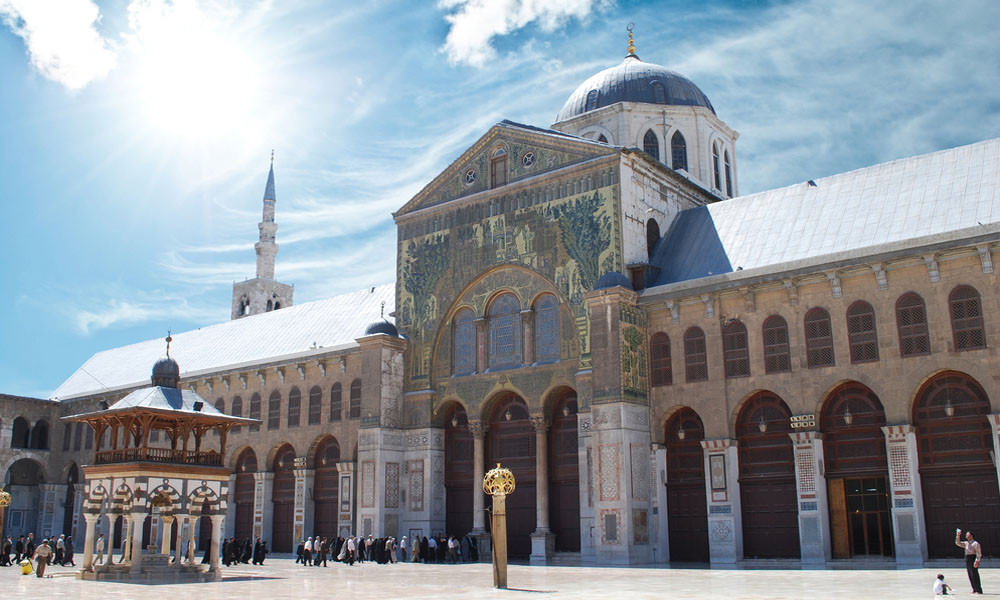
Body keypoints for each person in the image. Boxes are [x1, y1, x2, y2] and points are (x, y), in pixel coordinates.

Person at [956, 529, 983, 594]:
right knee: (970, 574)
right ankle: (974, 589)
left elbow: (978, 553)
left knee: (974, 574)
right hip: (967, 558)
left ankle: (978, 590)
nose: (966, 536)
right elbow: (958, 543)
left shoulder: (975, 543)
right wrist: (958, 536)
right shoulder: (966, 543)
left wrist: (977, 561)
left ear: (971, 536)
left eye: (968, 535)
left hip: (973, 558)